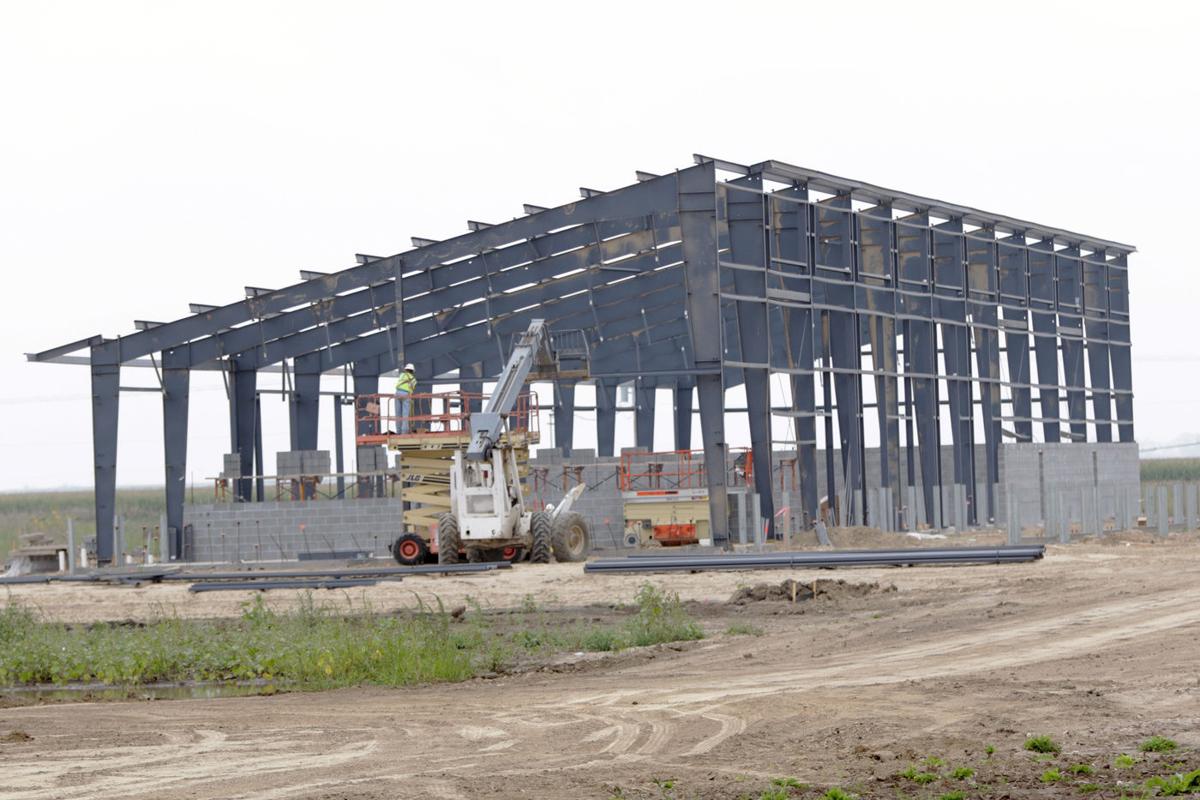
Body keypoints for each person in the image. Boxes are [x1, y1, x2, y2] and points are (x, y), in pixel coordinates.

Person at [395, 363, 417, 433]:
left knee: (398, 413)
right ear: (413, 371)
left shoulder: (402, 375)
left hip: (397, 393)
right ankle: (404, 432)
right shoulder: (413, 379)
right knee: (405, 414)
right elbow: (411, 389)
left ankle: (398, 431)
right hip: (405, 394)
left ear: (406, 369)